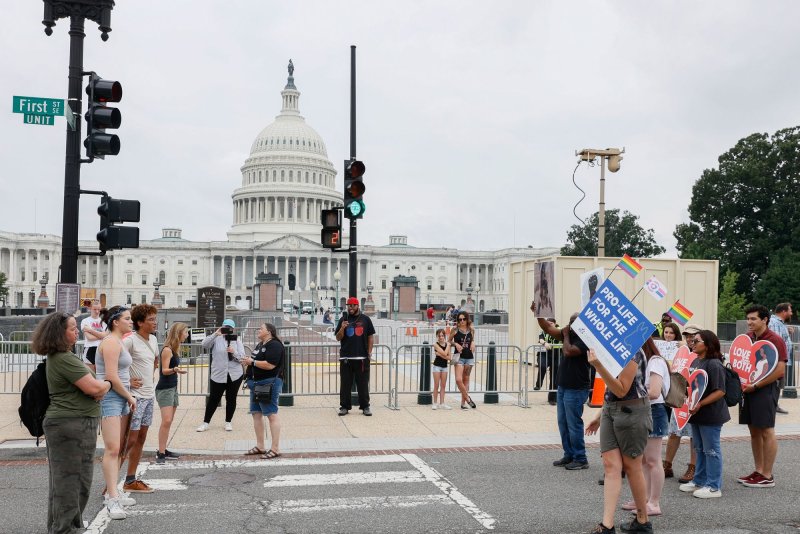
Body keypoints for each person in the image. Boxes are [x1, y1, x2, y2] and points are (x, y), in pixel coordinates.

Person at [35, 312, 112, 533]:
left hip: (71, 424)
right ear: (59, 333)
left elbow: (91, 388)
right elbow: (94, 388)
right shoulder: (64, 359)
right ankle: (65, 528)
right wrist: (106, 384)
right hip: (72, 425)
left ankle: (63, 526)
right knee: (73, 482)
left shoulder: (61, 357)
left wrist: (98, 388)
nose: (77, 330)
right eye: (72, 328)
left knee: (66, 482)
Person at [585, 344, 652, 534]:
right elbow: (612, 389)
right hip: (610, 409)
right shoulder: (612, 348)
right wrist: (599, 417)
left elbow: (622, 389)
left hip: (632, 410)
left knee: (632, 466)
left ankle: (642, 520)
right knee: (610, 466)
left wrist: (598, 365)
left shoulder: (632, 350)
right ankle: (607, 525)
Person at [533, 304, 591, 471]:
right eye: (570, 321)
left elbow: (569, 352)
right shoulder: (569, 335)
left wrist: (565, 334)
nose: (571, 325)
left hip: (577, 387)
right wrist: (538, 314)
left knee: (574, 424)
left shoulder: (585, 338)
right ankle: (569, 454)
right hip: (564, 386)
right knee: (563, 423)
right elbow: (547, 328)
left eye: (575, 322)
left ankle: (580, 457)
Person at [738, 304, 787, 488]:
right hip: (748, 389)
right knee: (754, 431)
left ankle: (767, 475)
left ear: (764, 320)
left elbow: (780, 370)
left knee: (766, 430)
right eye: (748, 319)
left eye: (753, 319)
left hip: (765, 389)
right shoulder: (748, 338)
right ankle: (758, 471)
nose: (749, 322)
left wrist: (756, 385)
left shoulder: (775, 340)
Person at [96, 305, 137, 520]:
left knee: (116, 448)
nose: (131, 321)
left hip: (119, 396)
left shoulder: (116, 340)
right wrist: (130, 396)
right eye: (128, 318)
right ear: (115, 321)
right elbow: (111, 376)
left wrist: (128, 394)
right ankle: (112, 498)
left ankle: (114, 492)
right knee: (112, 449)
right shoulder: (111, 342)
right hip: (112, 397)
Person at [679, 330, 730, 498]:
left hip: (711, 414)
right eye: (692, 340)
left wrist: (700, 403)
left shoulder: (714, 364)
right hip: (697, 414)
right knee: (699, 448)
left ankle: (714, 486)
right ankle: (699, 480)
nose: (692, 342)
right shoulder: (697, 361)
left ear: (707, 345)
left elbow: (720, 391)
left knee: (711, 450)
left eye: (696, 340)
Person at [622, 338, 669, 516]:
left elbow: (655, 392)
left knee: (652, 460)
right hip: (644, 409)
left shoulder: (655, 361)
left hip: (654, 410)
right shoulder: (645, 360)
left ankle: (654, 502)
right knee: (642, 460)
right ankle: (643, 499)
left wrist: (630, 395)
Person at [121, 304, 162, 494]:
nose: (155, 322)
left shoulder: (153, 340)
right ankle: (112, 480)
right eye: (151, 319)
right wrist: (127, 380)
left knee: (142, 438)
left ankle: (130, 478)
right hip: (135, 397)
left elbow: (155, 360)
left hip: (148, 395)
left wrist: (150, 375)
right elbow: (112, 360)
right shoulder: (129, 340)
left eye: (155, 318)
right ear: (140, 323)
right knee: (130, 440)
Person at [663, 323, 701, 482]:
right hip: (679, 398)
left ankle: (693, 467)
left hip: (694, 400)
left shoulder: (702, 354)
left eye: (693, 336)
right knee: (674, 432)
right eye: (687, 336)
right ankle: (667, 465)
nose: (690, 339)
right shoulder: (681, 352)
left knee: (693, 436)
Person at [241, 323, 285, 459]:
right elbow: (252, 361)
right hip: (256, 383)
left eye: (261, 328)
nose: (258, 330)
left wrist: (251, 363)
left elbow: (270, 365)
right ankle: (260, 446)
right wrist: (248, 378)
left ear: (269, 331)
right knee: (256, 413)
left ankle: (275, 448)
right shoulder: (260, 345)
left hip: (268, 383)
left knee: (271, 414)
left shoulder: (275, 345)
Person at [197, 318, 245, 431]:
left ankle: (228, 422)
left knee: (231, 398)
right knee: (214, 398)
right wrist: (215, 334)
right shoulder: (216, 339)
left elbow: (242, 358)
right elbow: (204, 344)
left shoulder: (237, 341)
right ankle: (205, 422)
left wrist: (234, 352)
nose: (227, 330)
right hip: (218, 374)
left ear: (233, 329)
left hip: (234, 374)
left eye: (229, 328)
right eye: (225, 327)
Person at [155, 322, 188, 464]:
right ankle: (161, 452)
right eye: (185, 332)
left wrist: (176, 370)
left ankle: (164, 449)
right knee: (166, 421)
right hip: (165, 388)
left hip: (173, 387)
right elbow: (164, 371)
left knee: (169, 422)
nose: (187, 335)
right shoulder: (167, 349)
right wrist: (176, 370)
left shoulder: (174, 349)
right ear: (178, 333)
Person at [336, 297, 375, 416]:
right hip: (346, 358)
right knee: (345, 384)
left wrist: (369, 352)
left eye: (353, 305)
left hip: (361, 358)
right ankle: (344, 406)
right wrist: (342, 327)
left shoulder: (365, 319)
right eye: (349, 305)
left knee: (363, 384)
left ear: (358, 306)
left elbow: (370, 337)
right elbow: (338, 337)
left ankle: (365, 406)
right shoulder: (343, 319)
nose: (350, 307)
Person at [450, 311, 477, 410]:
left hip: (469, 358)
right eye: (460, 319)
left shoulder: (471, 329)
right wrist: (455, 344)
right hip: (459, 358)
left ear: (467, 319)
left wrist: (473, 342)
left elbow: (472, 339)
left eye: (464, 319)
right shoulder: (455, 329)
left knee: (466, 381)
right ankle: (468, 399)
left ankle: (463, 403)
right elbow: (449, 341)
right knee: (458, 380)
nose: (462, 321)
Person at [768, 302, 792, 414]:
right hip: (777, 361)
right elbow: (776, 343)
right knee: (775, 384)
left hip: (780, 360)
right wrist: (778, 362)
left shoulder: (779, 323)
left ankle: (774, 405)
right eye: (790, 310)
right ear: (783, 311)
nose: (791, 312)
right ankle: (772, 406)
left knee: (777, 385)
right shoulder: (774, 323)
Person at [535, 317, 559, 406]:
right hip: (544, 353)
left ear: (555, 324)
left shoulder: (559, 331)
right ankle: (538, 384)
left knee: (554, 376)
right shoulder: (543, 330)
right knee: (542, 366)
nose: (549, 325)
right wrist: (544, 343)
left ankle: (552, 398)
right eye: (548, 323)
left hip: (556, 355)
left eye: (551, 323)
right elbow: (540, 339)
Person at [80, 300, 107, 372]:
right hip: (90, 349)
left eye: (98, 309)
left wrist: (91, 330)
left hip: (101, 349)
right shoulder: (85, 321)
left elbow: (105, 336)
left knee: (100, 374)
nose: (97, 311)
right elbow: (89, 337)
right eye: (95, 309)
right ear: (90, 309)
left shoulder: (103, 322)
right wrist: (101, 335)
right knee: (90, 374)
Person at [432, 328, 452, 410]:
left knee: (443, 385)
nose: (441, 337)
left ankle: (442, 403)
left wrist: (439, 354)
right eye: (439, 336)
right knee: (436, 385)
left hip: (444, 367)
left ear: (444, 336)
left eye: (442, 336)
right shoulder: (436, 344)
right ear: (437, 336)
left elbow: (449, 357)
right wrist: (448, 346)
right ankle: (435, 403)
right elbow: (445, 353)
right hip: (437, 366)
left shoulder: (447, 344)